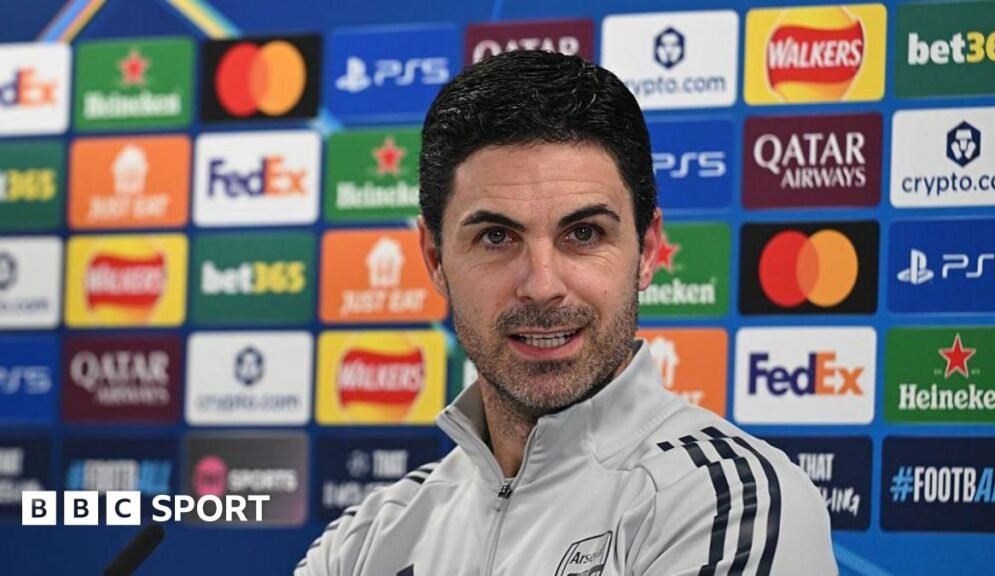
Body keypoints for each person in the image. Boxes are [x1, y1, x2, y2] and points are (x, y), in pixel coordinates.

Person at [296, 49, 837, 576]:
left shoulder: (730, 503)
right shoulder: (365, 541)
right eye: (496, 237)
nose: (542, 286)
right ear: (435, 259)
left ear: (647, 251)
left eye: (583, 234)